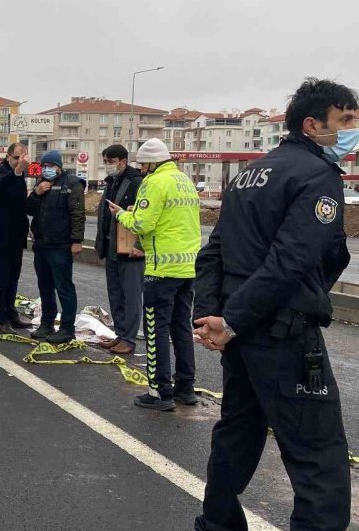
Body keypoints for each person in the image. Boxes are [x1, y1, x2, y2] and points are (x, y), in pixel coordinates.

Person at [191, 79, 356, 531]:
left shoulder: (250, 174)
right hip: (283, 336)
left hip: (241, 337)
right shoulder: (318, 176)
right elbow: (290, 262)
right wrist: (229, 322)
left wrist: (212, 319)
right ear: (312, 125)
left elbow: (213, 254)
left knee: (237, 434)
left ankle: (216, 523)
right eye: (345, 120)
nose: (352, 130)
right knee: (319, 456)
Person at [109, 138, 201, 411]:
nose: (142, 169)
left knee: (156, 329)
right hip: (187, 267)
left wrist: (121, 215)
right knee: (181, 327)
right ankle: (185, 387)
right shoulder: (184, 181)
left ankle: (160, 391)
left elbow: (142, 223)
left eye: (143, 164)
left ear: (151, 162)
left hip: (161, 269)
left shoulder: (154, 182)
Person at [24, 150, 85, 344]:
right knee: (45, 287)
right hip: (42, 244)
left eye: (50, 166)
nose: (47, 169)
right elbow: (28, 209)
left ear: (59, 167)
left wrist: (77, 240)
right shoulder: (41, 184)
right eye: (44, 166)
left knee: (64, 287)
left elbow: (77, 214)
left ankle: (67, 328)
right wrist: (37, 193)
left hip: (61, 245)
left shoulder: (72, 184)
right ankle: (47, 323)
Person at [95, 145, 145, 354]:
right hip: (112, 247)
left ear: (123, 161)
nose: (107, 165)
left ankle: (129, 338)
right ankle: (121, 333)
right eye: (105, 161)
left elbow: (144, 218)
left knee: (130, 296)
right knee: (115, 294)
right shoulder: (111, 182)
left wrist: (140, 246)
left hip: (130, 250)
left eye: (111, 161)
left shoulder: (137, 183)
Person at [0, 141, 32, 334]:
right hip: (2, 233)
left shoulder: (20, 175)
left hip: (17, 233)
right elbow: (0, 189)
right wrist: (18, 170)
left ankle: (11, 313)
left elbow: (19, 202)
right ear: (8, 156)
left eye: (23, 158)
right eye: (16, 158)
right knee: (2, 276)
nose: (20, 161)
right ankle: (2, 319)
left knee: (14, 276)